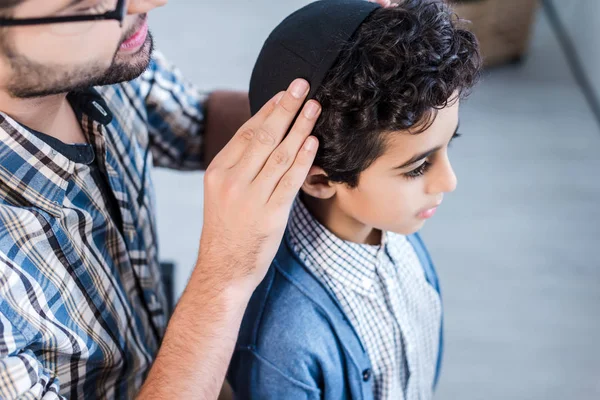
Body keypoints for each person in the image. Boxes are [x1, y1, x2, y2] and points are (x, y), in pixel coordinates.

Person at [0, 0, 392, 399]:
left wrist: (346, 91)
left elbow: (195, 121)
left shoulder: (104, 60)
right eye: (87, 6)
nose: (150, 2)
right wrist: (224, 276)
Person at [227, 0, 482, 399]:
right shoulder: (284, 342)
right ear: (318, 180)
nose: (448, 181)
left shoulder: (396, 230)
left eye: (450, 143)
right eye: (417, 168)